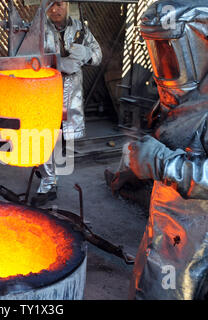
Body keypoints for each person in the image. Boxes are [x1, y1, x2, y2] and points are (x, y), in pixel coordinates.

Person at [110, 0, 208, 299]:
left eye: (169, 47)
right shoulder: (185, 95)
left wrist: (165, 164)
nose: (162, 61)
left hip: (199, 248)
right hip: (165, 231)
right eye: (157, 48)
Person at [31, 0, 102, 206]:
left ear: (67, 5)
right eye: (51, 5)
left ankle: (49, 175)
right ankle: (48, 182)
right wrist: (56, 64)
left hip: (70, 94)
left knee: (60, 137)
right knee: (43, 135)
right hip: (44, 90)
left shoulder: (81, 29)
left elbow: (98, 56)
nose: (55, 9)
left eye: (59, 4)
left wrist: (87, 54)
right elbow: (25, 58)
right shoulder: (38, 29)